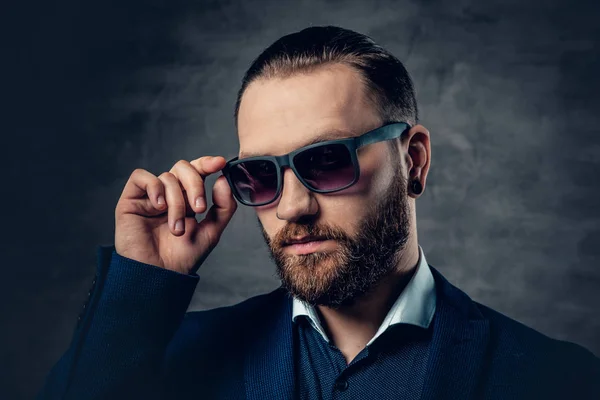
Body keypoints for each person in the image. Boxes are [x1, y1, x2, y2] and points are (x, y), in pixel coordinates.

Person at [37, 25, 599, 400]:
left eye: (328, 161)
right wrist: (141, 285)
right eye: (258, 174)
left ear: (415, 162)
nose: (292, 206)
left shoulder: (556, 379)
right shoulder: (163, 357)